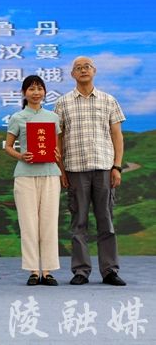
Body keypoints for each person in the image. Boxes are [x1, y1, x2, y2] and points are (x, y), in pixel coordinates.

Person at [55, 56, 126, 286]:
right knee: (78, 222)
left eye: (87, 67)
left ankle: (110, 270)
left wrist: (116, 166)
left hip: (104, 168)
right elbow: (58, 139)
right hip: (75, 169)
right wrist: (61, 170)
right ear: (72, 74)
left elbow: (117, 135)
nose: (83, 70)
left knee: (106, 220)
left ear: (94, 71)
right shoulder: (63, 103)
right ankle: (81, 270)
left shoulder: (108, 100)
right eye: (78, 68)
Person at [4, 75, 61, 286]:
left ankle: (48, 270)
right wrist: (21, 155)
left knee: (49, 223)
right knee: (28, 224)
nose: (36, 92)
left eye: (39, 88)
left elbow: (57, 146)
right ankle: (33, 271)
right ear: (24, 93)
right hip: (25, 175)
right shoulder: (18, 117)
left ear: (44, 92)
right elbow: (8, 146)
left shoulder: (53, 117)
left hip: (50, 174)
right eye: (31, 89)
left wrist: (57, 154)